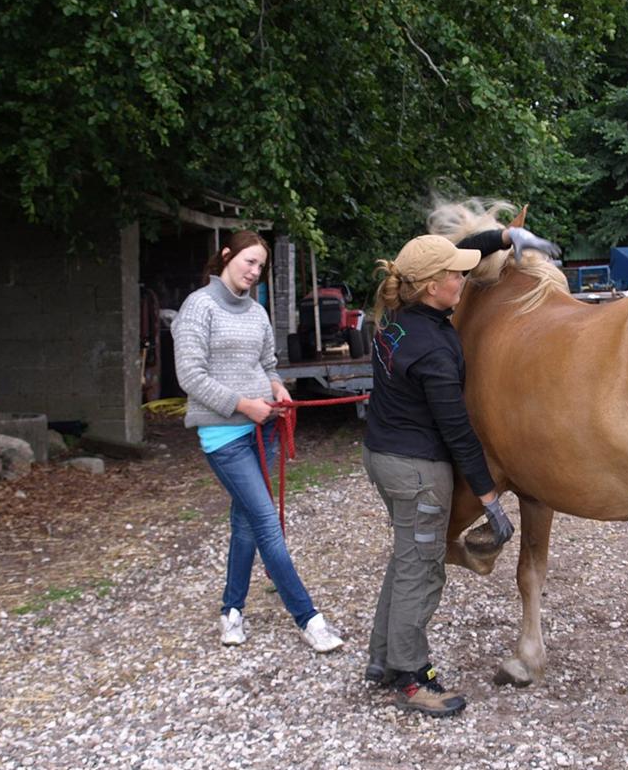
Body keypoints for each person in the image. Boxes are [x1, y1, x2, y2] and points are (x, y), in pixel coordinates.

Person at [362, 225, 559, 718]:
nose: (464, 278)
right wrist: (490, 499)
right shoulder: (433, 348)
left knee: (406, 555)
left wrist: (506, 235)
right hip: (418, 471)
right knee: (423, 569)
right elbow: (458, 433)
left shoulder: (397, 320)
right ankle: (412, 678)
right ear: (433, 286)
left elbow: (460, 250)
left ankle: (382, 659)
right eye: (456, 274)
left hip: (382, 456)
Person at [172, 230, 344, 653]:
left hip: (263, 428)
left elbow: (267, 364)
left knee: (246, 522)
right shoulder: (199, 307)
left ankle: (231, 611)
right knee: (267, 523)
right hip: (224, 435)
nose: (254, 271)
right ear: (226, 256)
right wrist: (243, 405)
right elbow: (190, 376)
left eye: (260, 266)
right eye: (249, 261)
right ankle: (309, 619)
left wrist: (277, 388)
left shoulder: (257, 312)